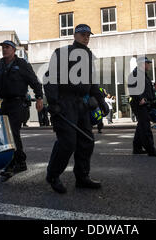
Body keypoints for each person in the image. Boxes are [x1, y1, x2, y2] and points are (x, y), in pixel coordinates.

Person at [43, 24, 109, 194]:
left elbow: (92, 82)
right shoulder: (62, 52)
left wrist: (102, 102)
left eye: (88, 35)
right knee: (67, 142)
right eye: (83, 34)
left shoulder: (87, 56)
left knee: (87, 141)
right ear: (75, 35)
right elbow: (50, 77)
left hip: (82, 105)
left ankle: (82, 177)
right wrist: (53, 102)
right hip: (65, 103)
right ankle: (53, 175)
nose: (86, 37)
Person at [0, 40, 44, 178]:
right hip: (5, 103)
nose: (4, 50)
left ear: (14, 50)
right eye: (3, 47)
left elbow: (34, 81)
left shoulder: (21, 64)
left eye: (7, 47)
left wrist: (39, 98)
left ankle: (15, 163)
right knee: (2, 133)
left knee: (12, 132)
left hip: (18, 103)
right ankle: (16, 161)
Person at [129, 57, 156, 155]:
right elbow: (132, 88)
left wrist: (154, 100)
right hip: (139, 104)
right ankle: (151, 150)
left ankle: (137, 148)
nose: (149, 65)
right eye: (147, 63)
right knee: (145, 127)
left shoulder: (144, 75)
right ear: (141, 64)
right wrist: (140, 98)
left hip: (146, 103)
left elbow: (148, 90)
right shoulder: (135, 74)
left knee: (141, 126)